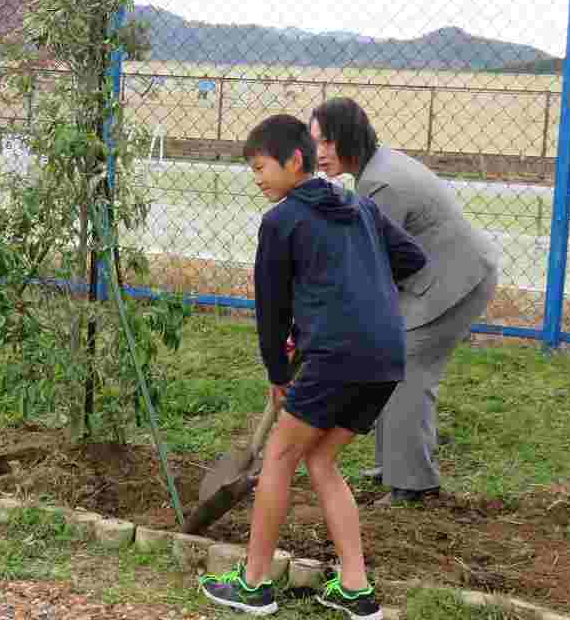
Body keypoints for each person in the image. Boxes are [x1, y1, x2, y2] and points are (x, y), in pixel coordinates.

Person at [199, 115, 426, 618]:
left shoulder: (281, 221)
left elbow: (271, 310)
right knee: (320, 461)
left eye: (260, 167)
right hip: (385, 355)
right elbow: (411, 258)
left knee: (279, 456)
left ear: (293, 161)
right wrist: (361, 288)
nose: (256, 178)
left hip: (337, 354)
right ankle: (356, 588)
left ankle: (255, 584)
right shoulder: (359, 206)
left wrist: (278, 376)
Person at [310, 97, 499, 506]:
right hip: (438, 275)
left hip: (454, 281)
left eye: (327, 141)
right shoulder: (374, 169)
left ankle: (413, 484)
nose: (319, 153)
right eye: (314, 143)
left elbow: (374, 264)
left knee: (409, 368)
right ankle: (393, 464)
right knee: (391, 360)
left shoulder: (381, 184)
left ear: (350, 137)